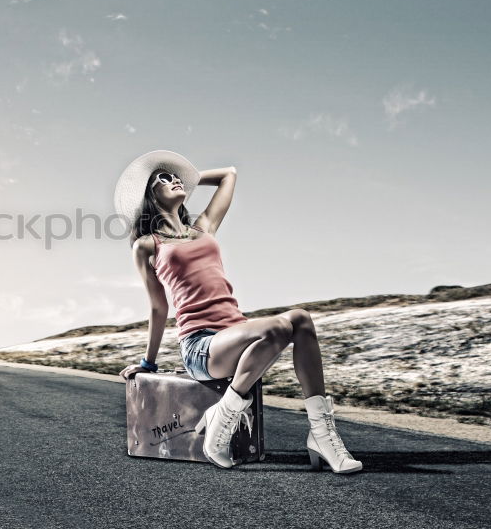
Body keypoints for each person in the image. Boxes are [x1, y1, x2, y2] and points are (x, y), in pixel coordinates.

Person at [113, 150, 362, 474]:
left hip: (238, 332)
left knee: (300, 319)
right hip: (201, 346)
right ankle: (225, 414)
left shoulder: (203, 228)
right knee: (277, 328)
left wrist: (188, 177)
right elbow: (158, 307)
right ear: (150, 195)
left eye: (175, 177)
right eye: (164, 178)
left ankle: (321, 434)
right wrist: (147, 364)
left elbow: (229, 174)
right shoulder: (147, 245)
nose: (174, 180)